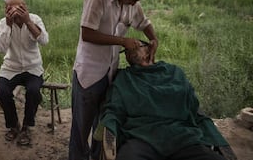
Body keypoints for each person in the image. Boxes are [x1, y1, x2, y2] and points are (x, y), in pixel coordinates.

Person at [69, 0, 159, 160]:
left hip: (111, 72)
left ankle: (95, 156)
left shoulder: (132, 4)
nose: (134, 4)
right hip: (90, 73)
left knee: (101, 125)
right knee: (81, 129)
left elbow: (144, 23)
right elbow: (87, 33)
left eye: (138, 1)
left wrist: (154, 40)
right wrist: (122, 41)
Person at [97, 40, 231, 160]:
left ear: (150, 49)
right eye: (126, 50)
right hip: (142, 137)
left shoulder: (173, 72)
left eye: (136, 45)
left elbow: (193, 107)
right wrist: (110, 128)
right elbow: (114, 109)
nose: (129, 50)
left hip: (182, 137)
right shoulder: (125, 78)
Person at [0, 0, 49, 146]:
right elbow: (0, 48)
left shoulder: (35, 19)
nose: (15, 11)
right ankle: (13, 125)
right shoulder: (2, 23)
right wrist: (8, 26)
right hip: (10, 68)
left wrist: (28, 22)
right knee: (2, 93)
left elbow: (44, 40)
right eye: (11, 8)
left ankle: (26, 126)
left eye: (19, 7)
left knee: (33, 92)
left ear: (25, 6)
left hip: (33, 68)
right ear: (6, 9)